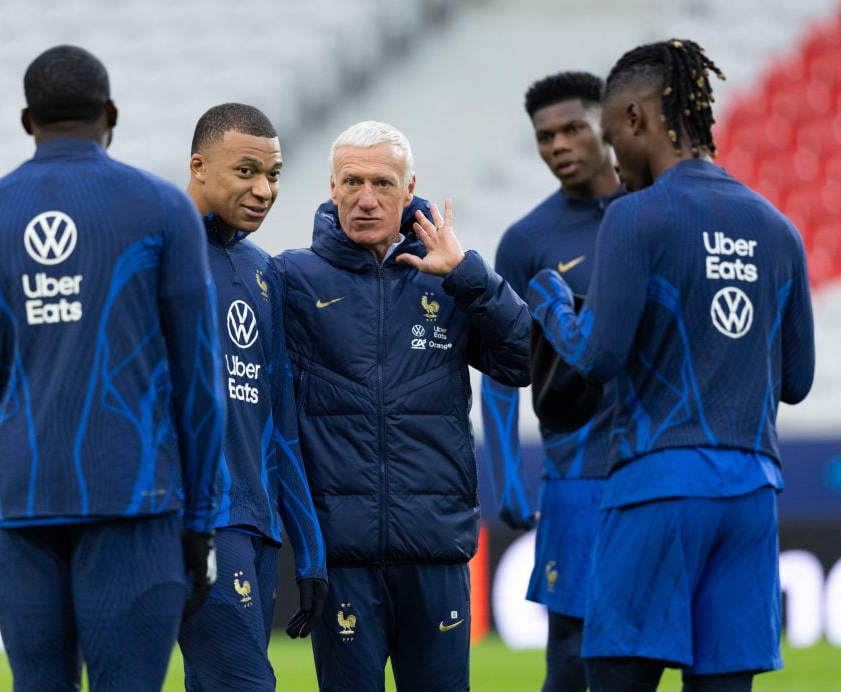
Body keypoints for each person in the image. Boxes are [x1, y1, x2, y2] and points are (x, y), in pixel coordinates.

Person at [524, 39, 815, 692]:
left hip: (657, 485)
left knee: (616, 676)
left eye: (610, 138)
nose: (613, 161)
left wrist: (549, 301)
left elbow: (597, 357)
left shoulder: (634, 217)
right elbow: (797, 382)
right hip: (752, 496)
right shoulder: (778, 227)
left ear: (637, 119)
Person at [0, 45, 224, 691]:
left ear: (26, 120)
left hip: (21, 510)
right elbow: (200, 384)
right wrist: (200, 522)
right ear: (110, 115)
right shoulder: (162, 209)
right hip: (135, 505)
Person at [275, 120, 531, 691]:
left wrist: (467, 275)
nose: (366, 198)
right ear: (332, 187)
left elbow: (526, 361)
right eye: (352, 182)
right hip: (343, 558)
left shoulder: (452, 281)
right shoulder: (293, 279)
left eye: (382, 183)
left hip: (434, 551)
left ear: (409, 187)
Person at [479, 71, 623, 691]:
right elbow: (500, 367)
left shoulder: (652, 213)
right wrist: (507, 473)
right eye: (545, 136)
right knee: (570, 644)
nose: (559, 145)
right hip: (577, 474)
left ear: (606, 126)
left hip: (655, 462)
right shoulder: (527, 241)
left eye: (572, 129)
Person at [177, 102, 328, 690]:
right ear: (198, 165)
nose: (264, 190)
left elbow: (280, 419)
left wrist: (308, 549)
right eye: (246, 171)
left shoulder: (265, 271)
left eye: (273, 174)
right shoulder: (157, 252)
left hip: (256, 526)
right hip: (195, 518)